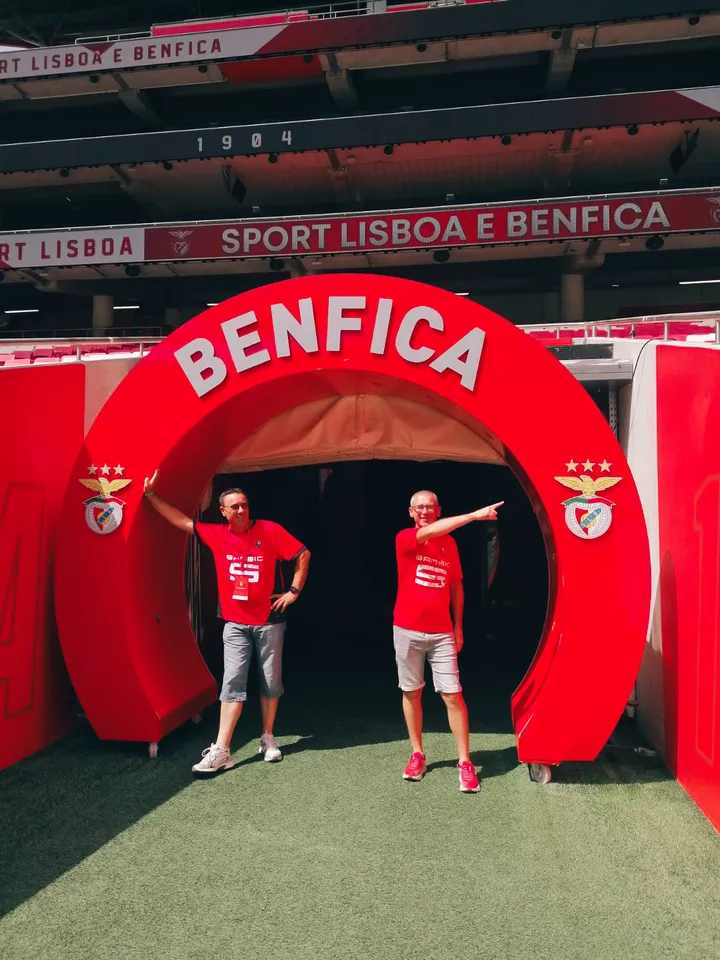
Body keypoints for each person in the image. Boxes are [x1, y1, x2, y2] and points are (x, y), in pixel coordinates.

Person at [143, 471, 311, 775]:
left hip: (269, 621)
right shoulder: (217, 534)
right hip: (234, 623)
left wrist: (294, 592)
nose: (242, 511)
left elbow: (302, 554)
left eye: (245, 505)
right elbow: (181, 521)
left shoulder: (270, 531)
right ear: (223, 512)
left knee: (270, 682)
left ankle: (267, 737)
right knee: (232, 682)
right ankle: (222, 750)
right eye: (235, 507)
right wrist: (152, 496)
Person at [393, 490, 503, 792]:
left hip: (441, 633)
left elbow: (456, 585)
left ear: (439, 509)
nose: (425, 511)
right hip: (406, 630)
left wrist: (458, 625)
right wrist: (473, 516)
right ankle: (417, 754)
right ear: (411, 512)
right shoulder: (405, 537)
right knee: (411, 691)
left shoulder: (450, 544)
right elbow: (428, 532)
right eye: (419, 507)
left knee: (452, 695)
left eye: (430, 506)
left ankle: (465, 762)